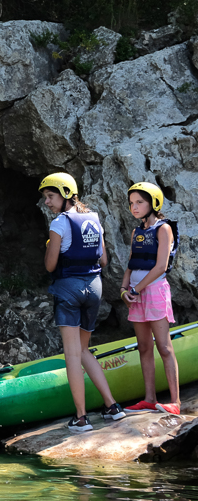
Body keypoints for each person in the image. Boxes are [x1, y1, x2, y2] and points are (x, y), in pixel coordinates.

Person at [39, 172, 126, 432]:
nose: (47, 202)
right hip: (94, 289)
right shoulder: (94, 220)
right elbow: (104, 261)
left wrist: (49, 246)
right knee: (84, 350)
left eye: (50, 196)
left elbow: (50, 265)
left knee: (72, 354)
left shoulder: (59, 224)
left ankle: (80, 418)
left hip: (68, 290)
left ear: (66, 194)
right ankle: (112, 407)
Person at [121, 181, 181, 415]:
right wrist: (124, 289)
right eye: (132, 203)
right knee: (144, 346)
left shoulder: (163, 228)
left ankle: (175, 403)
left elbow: (161, 267)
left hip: (154, 291)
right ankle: (149, 398)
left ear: (153, 203)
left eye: (139, 202)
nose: (134, 207)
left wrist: (137, 289)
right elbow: (131, 263)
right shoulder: (137, 231)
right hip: (135, 294)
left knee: (164, 347)